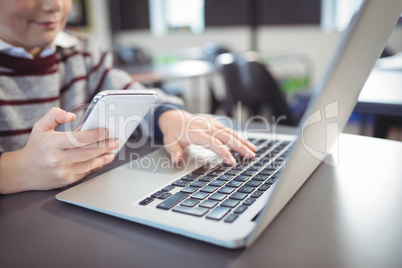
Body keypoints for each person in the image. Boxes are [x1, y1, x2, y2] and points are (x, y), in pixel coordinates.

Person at [0, 0, 256, 194]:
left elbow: (136, 96)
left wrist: (169, 116)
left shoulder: (83, 53)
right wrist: (19, 169)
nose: (54, 5)